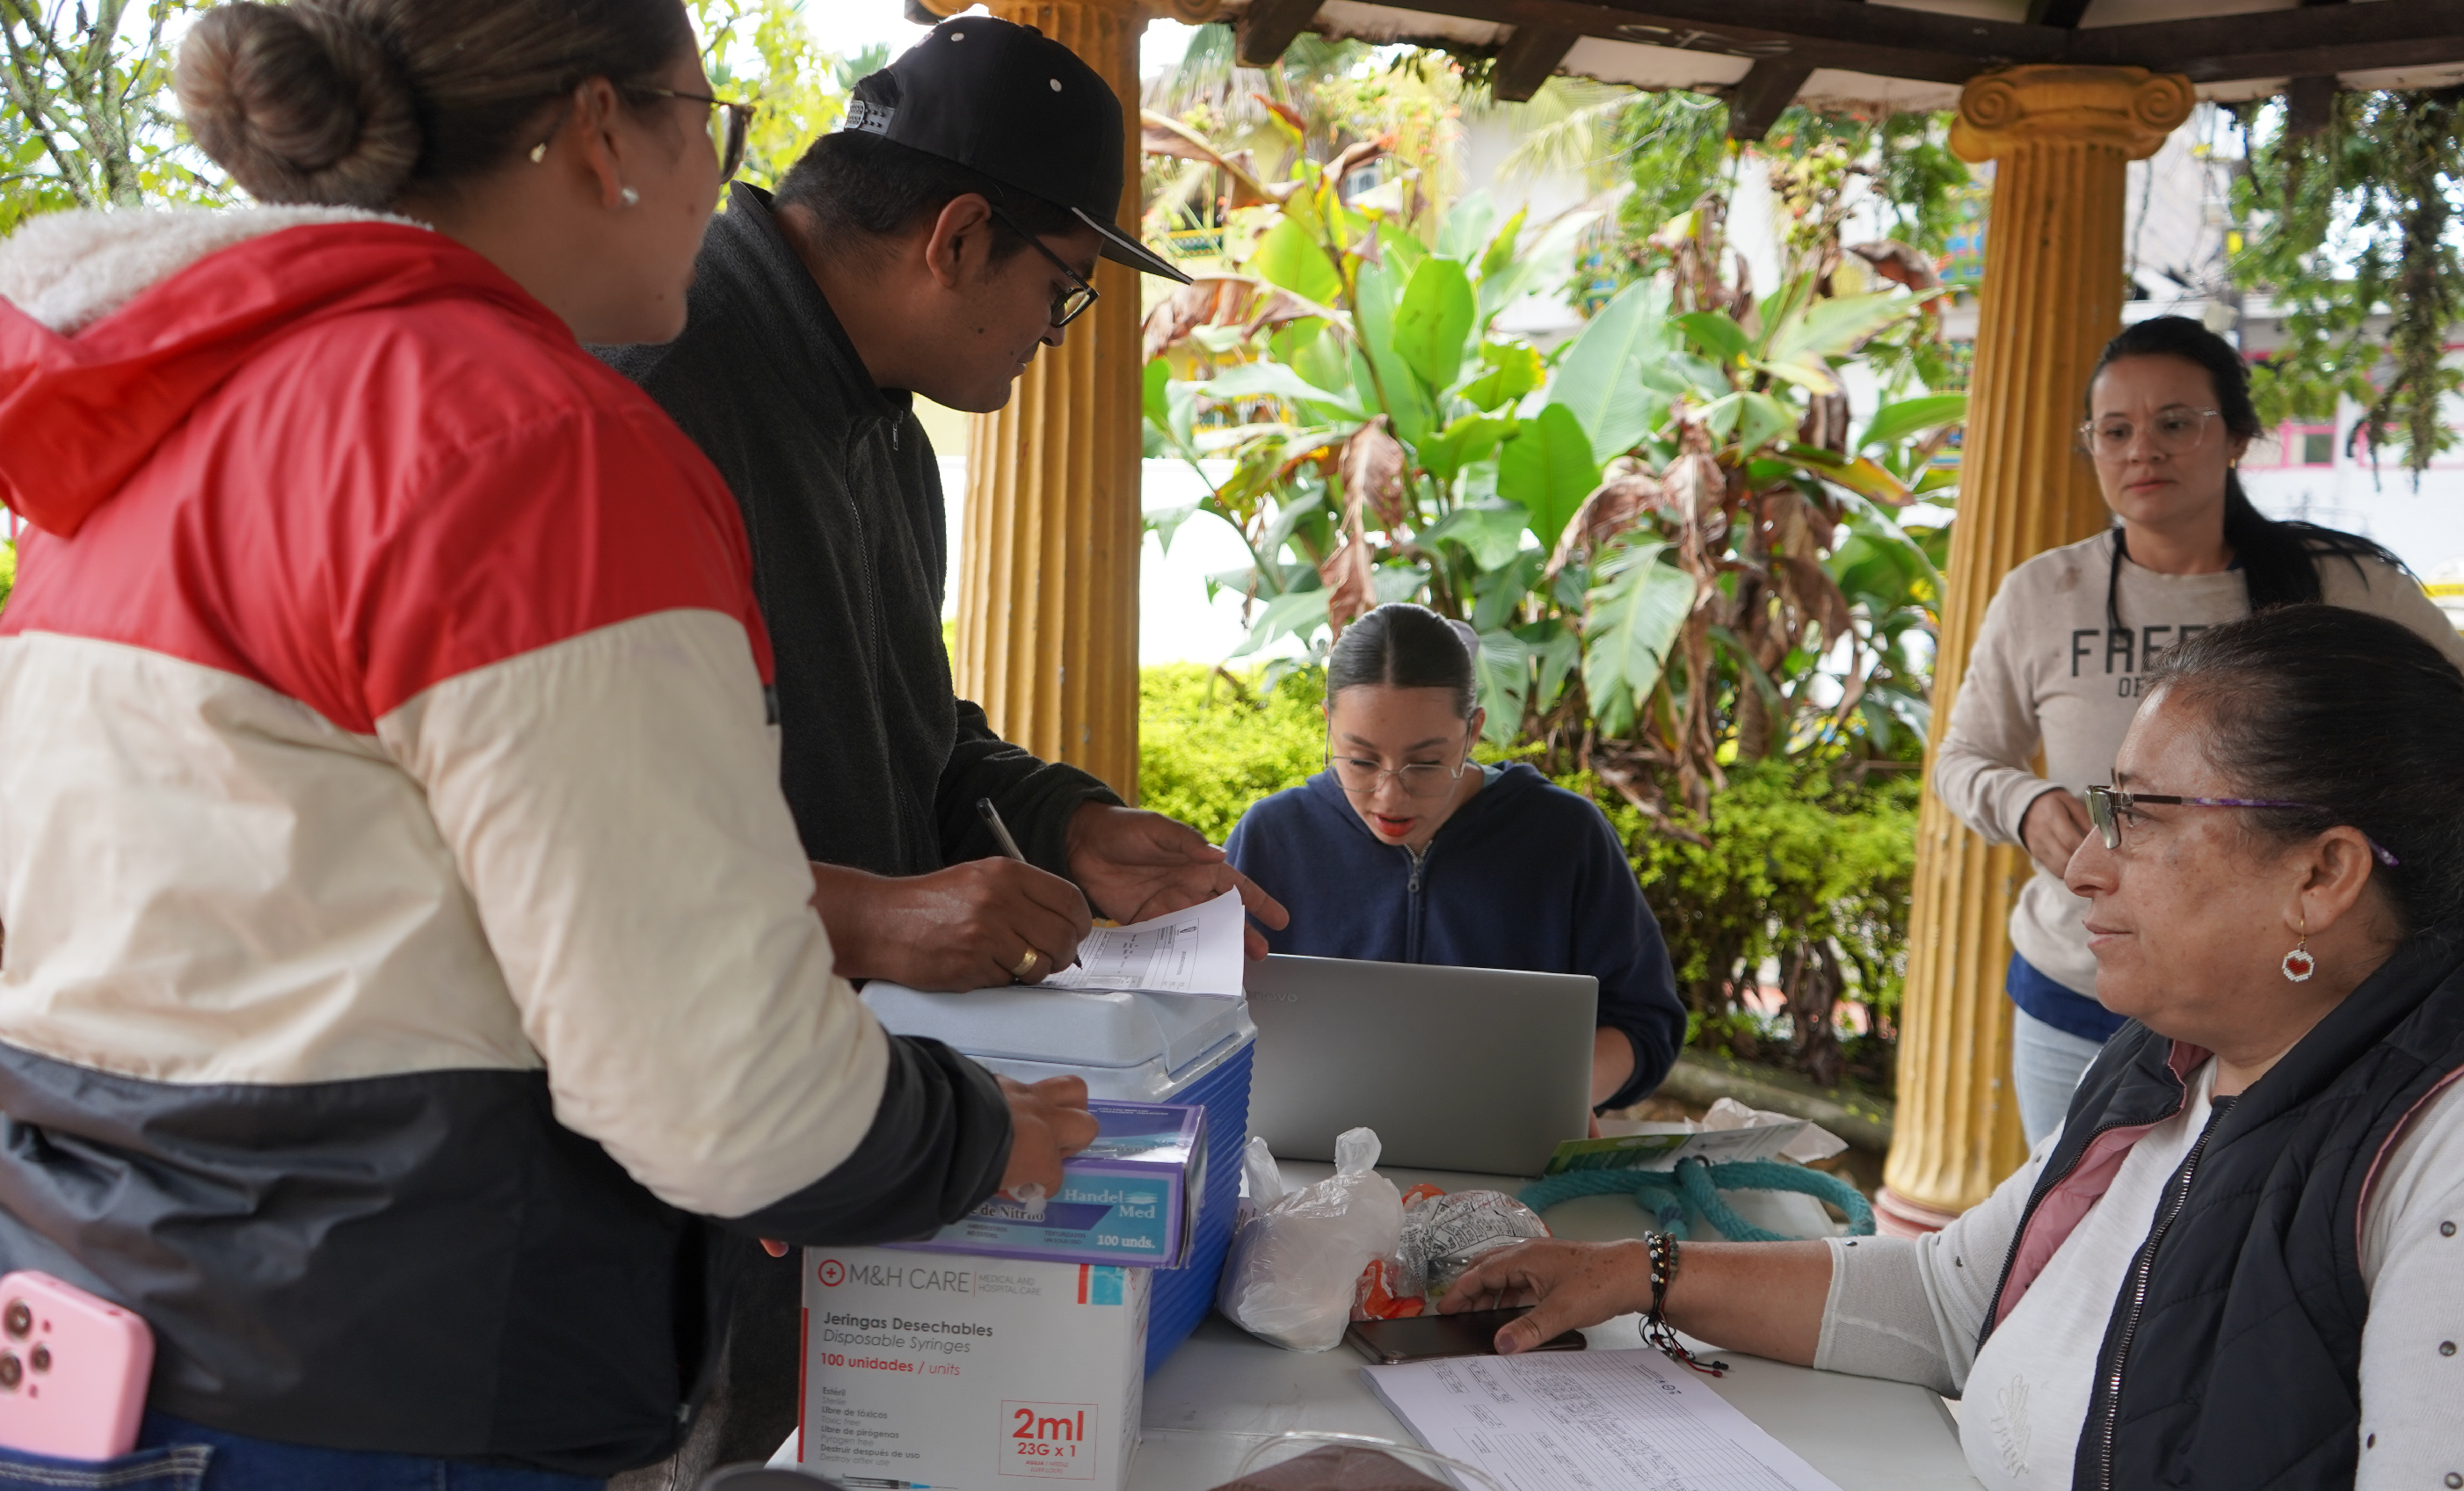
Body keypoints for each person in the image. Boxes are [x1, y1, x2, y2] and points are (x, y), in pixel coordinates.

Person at [0, 3, 1088, 1486]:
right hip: (389, 1385)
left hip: (112, 1337)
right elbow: (726, 1090)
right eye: (711, 126)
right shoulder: (530, 445)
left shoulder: (175, 418)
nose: (723, 184)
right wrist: (976, 1138)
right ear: (600, 137)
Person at [1440, 604, 2464, 1490]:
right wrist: (1635, 1274)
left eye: (2146, 812)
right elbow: (1954, 1297)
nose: (2086, 858)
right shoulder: (2175, 1056)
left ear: (2321, 873)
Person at [593, 20, 1285, 1473]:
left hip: (831, 1129)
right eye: (1064, 294)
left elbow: (913, 733)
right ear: (961, 237)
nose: (1054, 337)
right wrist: (866, 908)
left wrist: (1060, 817)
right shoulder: (648, 381)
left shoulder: (888, 441)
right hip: (634, 1179)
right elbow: (565, 822)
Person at [1932, 314, 2464, 1144]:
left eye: (2176, 423)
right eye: (2115, 430)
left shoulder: (2345, 585)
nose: (2143, 451)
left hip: (2294, 1005)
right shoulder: (2042, 593)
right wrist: (2021, 803)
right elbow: (1963, 758)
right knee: (2065, 1256)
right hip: (2082, 989)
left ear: (2235, 438)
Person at [1225, 604, 1685, 1113]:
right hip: (1301, 1165)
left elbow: (1645, 1023)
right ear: (1329, 724)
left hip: (1517, 1173)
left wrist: (1560, 1102)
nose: (1389, 797)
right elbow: (1202, 1019)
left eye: (1425, 763)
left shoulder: (1566, 837)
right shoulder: (1271, 836)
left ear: (1473, 731)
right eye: (1359, 760)